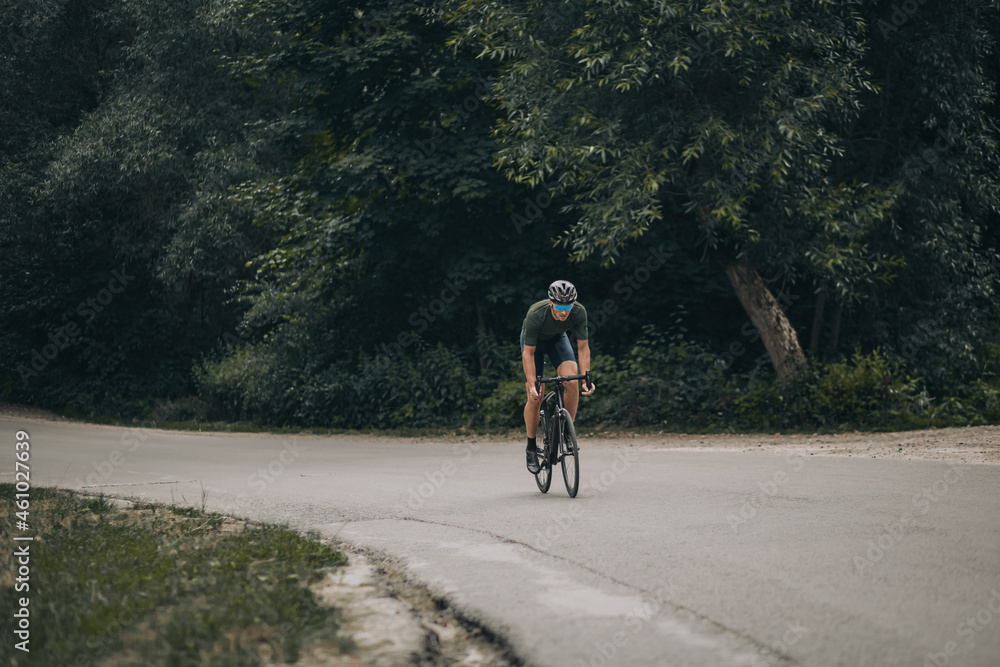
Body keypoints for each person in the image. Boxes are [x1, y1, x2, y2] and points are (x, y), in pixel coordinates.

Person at [521, 280, 596, 473]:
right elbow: (528, 354)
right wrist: (532, 384)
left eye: (568, 306)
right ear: (550, 302)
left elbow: (583, 347)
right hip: (534, 346)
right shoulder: (536, 314)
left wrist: (587, 377)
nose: (564, 312)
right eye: (560, 306)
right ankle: (530, 447)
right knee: (536, 395)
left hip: (557, 340)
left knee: (571, 382)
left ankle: (566, 433)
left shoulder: (579, 312)